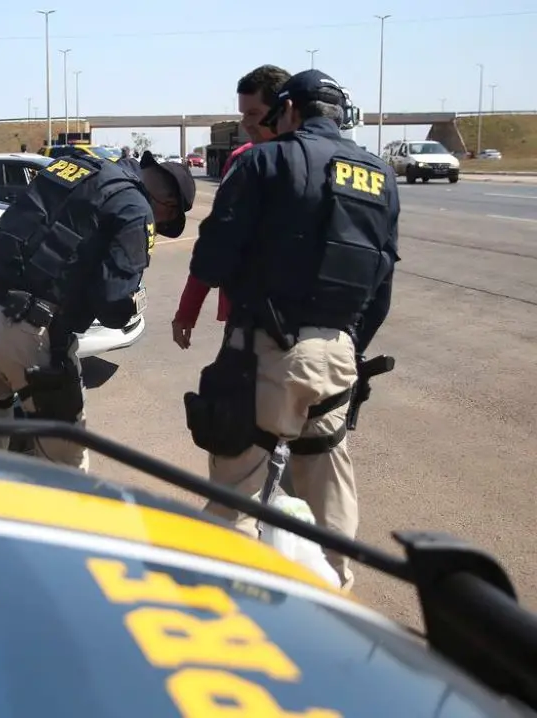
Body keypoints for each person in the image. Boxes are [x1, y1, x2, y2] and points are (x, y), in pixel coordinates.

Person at [186, 69, 400, 589]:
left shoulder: (264, 161)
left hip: (268, 351)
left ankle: (226, 601)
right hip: (338, 354)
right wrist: (348, 345)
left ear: (289, 111)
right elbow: (383, 280)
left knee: (238, 484)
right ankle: (334, 596)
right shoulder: (380, 175)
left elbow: (212, 257)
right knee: (326, 481)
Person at [0, 148, 195, 471]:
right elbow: (113, 303)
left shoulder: (79, 167)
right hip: (30, 334)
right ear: (168, 205)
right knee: (65, 459)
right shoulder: (136, 210)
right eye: (167, 220)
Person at [173, 65, 290, 350]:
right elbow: (216, 242)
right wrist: (188, 311)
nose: (246, 124)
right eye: (243, 114)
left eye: (254, 114)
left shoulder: (315, 166)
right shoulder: (242, 161)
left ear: (283, 111)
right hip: (245, 316)